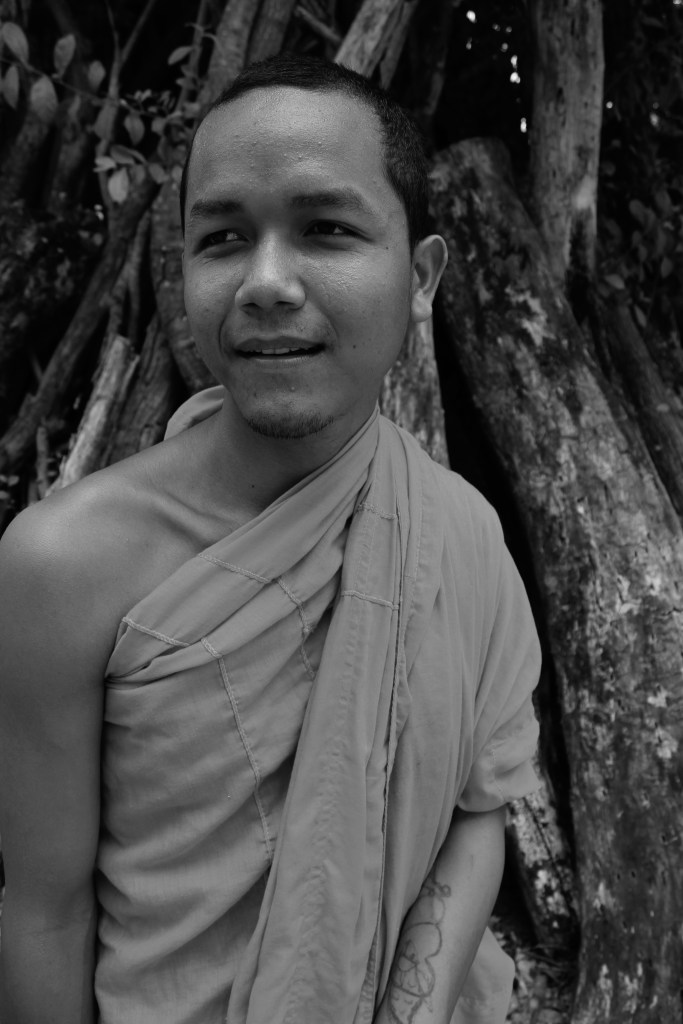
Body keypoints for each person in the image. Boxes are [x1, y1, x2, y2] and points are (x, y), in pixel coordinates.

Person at [0, 54, 541, 1024]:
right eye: (222, 239)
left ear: (420, 276)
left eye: (326, 229)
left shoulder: (461, 536)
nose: (265, 282)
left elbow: (475, 815)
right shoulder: (62, 567)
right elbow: (46, 910)